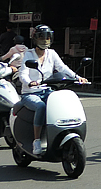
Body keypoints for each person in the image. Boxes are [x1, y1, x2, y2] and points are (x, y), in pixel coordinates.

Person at [18, 25, 88, 155]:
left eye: (48, 38)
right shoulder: (28, 54)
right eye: (41, 37)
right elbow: (23, 73)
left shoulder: (52, 53)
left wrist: (78, 77)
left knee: (60, 102)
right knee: (40, 107)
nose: (45, 40)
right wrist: (29, 82)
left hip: (47, 90)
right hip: (30, 93)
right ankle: (37, 141)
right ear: (35, 39)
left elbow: (62, 68)